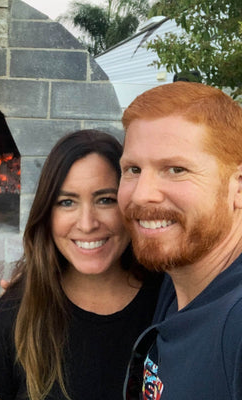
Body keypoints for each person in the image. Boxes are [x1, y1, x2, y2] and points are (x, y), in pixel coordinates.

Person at [0, 129, 162, 400]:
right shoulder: (15, 315)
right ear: (47, 214)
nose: (86, 223)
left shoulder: (170, 300)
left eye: (105, 200)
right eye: (67, 202)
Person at [118, 81, 242, 399]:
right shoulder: (179, 275)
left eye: (176, 169)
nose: (143, 194)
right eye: (133, 169)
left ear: (238, 187)